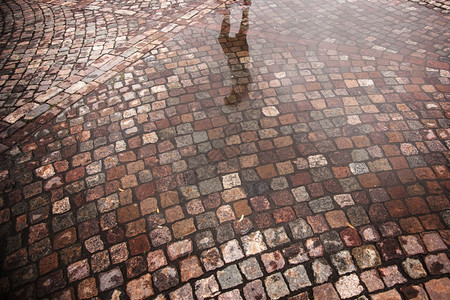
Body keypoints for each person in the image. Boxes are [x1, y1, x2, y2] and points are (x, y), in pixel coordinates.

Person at [218, 1, 252, 106]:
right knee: (240, 36)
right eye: (229, 98)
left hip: (236, 58)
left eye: (228, 98)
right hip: (239, 58)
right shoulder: (242, 91)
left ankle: (231, 15)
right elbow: (245, 76)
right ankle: (244, 13)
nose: (228, 96)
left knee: (224, 37)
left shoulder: (239, 91)